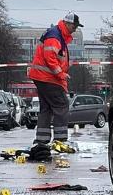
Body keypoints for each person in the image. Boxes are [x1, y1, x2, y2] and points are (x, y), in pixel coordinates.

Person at [28, 13, 83, 148]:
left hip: (42, 77)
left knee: (46, 108)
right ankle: (60, 140)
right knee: (61, 105)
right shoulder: (55, 36)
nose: (75, 29)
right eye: (74, 26)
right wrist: (61, 74)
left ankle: (42, 139)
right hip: (49, 78)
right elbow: (50, 58)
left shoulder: (56, 35)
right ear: (68, 24)